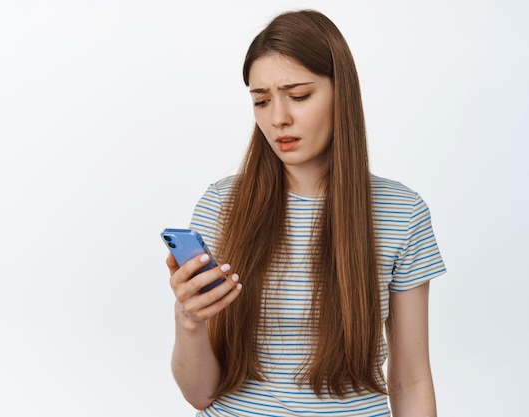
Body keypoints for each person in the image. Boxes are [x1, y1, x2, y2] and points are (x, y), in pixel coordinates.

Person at [166, 9, 446, 417]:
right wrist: (188, 320)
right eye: (261, 100)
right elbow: (199, 394)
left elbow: (411, 379)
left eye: (298, 96)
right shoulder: (221, 205)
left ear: (341, 93)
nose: (278, 117)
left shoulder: (402, 213)